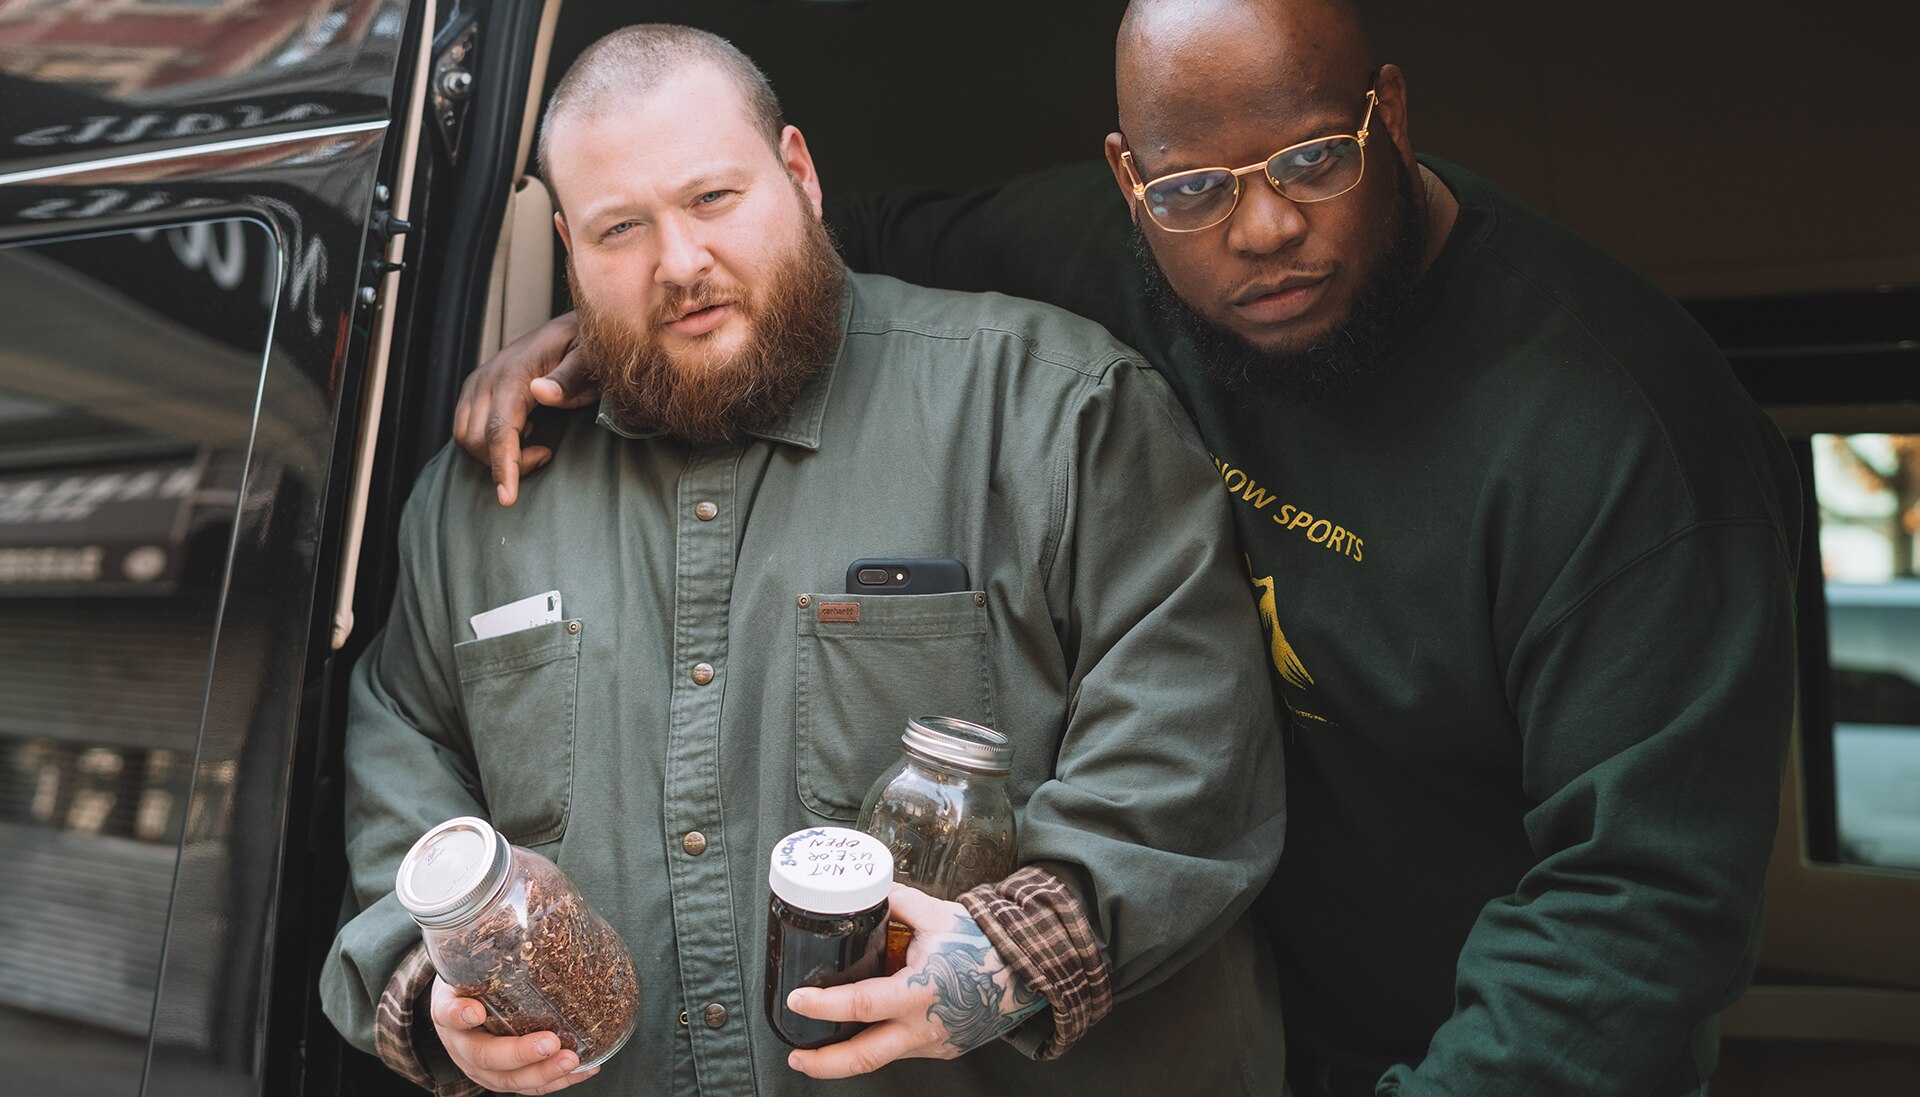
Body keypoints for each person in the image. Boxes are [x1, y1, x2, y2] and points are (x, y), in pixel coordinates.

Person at [458, 3, 1803, 1096]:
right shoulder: (1125, 243)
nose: (1261, 227)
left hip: (1524, 1040)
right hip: (1272, 1017)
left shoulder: (1620, 436)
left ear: (1389, 115)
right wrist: (614, 326)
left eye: (1314, 161)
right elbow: (819, 243)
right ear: (1130, 180)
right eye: (1195, 189)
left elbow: (1642, 908)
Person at [323, 23, 1288, 1097]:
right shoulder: (477, 502)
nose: (679, 262)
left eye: (712, 199)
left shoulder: (1053, 409)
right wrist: (436, 989)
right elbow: (403, 753)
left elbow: (1190, 741)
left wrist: (1008, 955)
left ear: (800, 174)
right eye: (620, 229)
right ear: (567, 246)